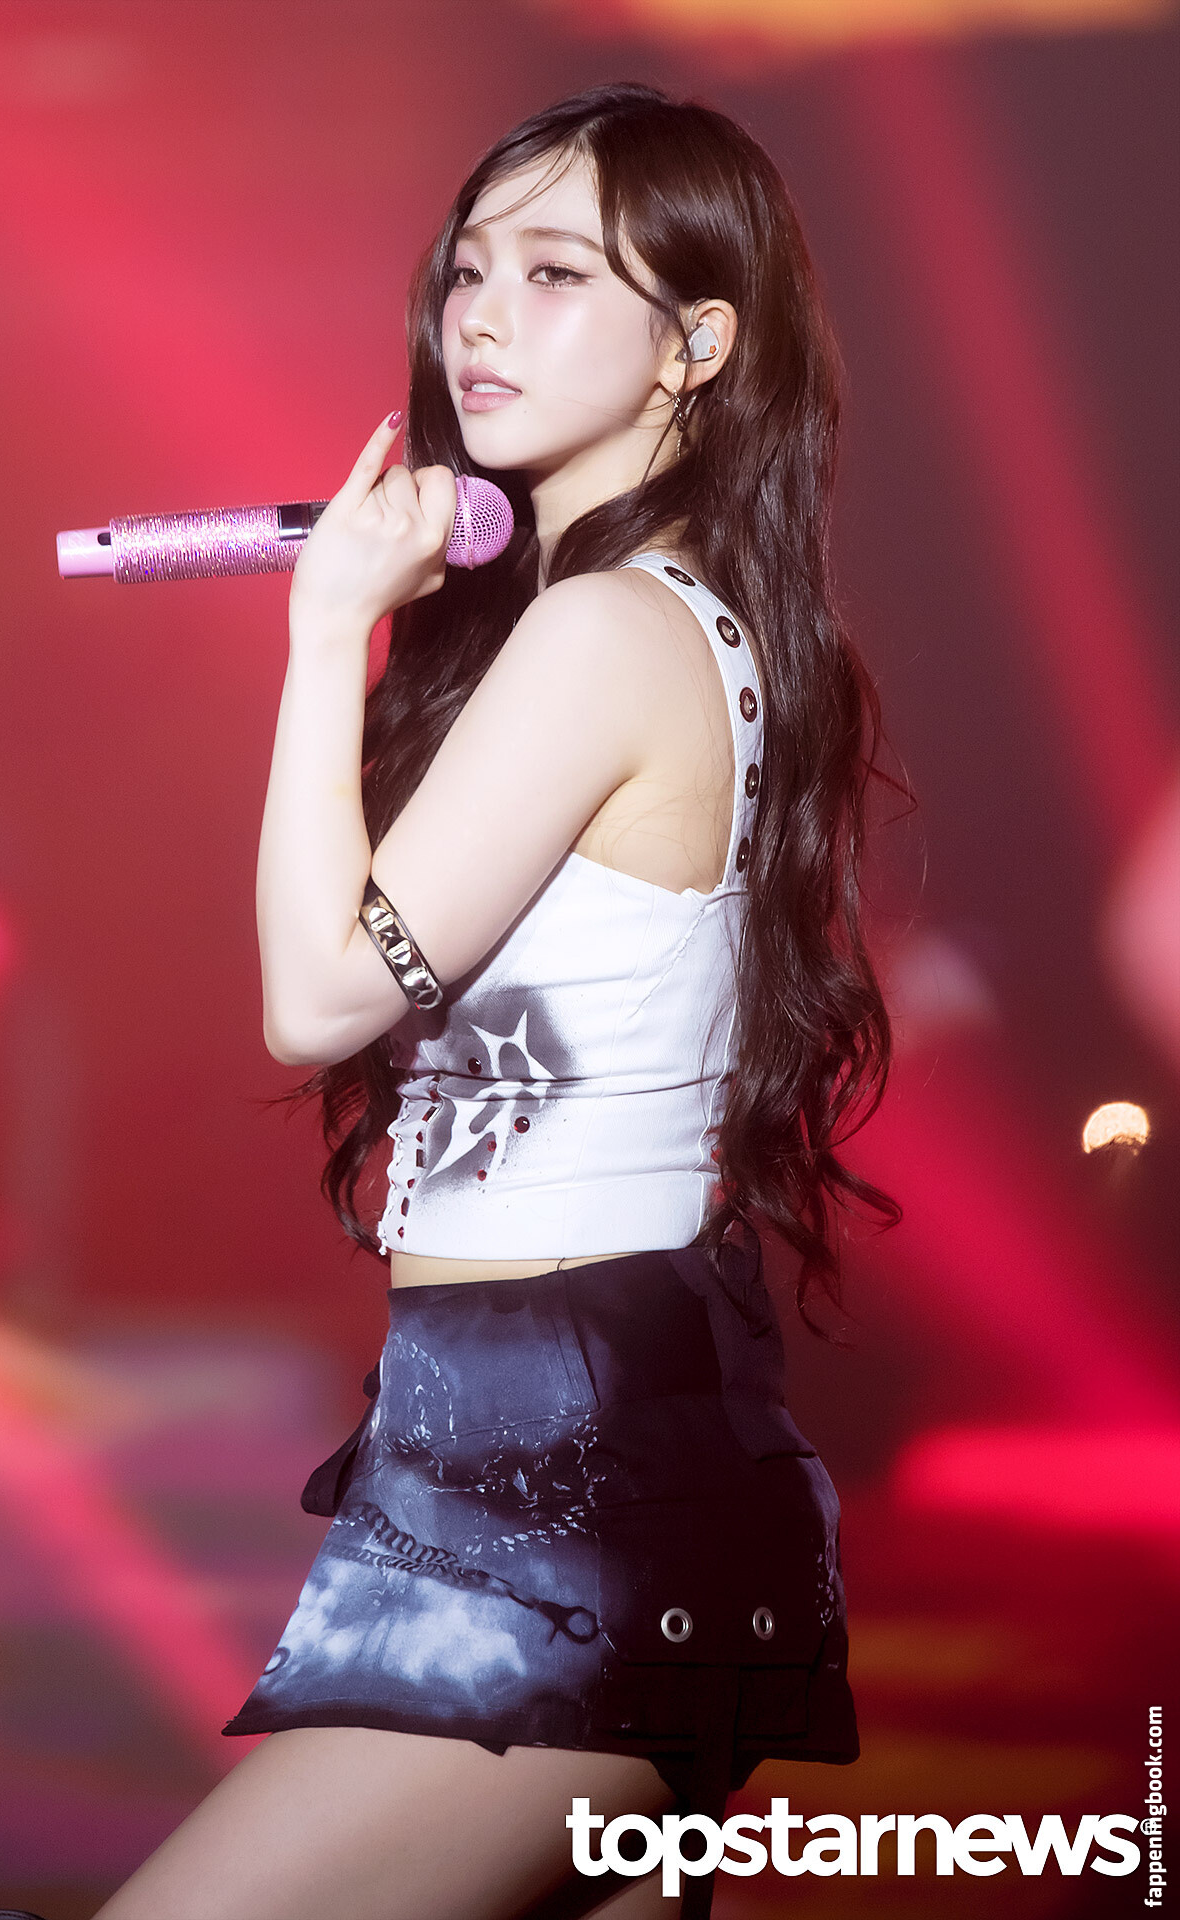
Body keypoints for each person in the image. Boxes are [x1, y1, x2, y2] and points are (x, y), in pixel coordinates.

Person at [95, 80, 896, 1920]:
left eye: (554, 273)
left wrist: (323, 630)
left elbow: (316, 996)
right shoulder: (683, 617)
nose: (480, 317)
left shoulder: (605, 629)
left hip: (573, 1487)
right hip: (573, 1446)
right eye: (468, 269)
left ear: (699, 345)